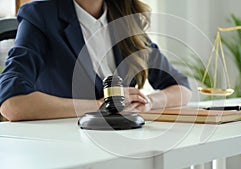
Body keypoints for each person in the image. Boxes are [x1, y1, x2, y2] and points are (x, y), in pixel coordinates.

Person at [0, 0, 192, 121]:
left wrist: (147, 102)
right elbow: (12, 105)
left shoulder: (125, 18)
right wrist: (104, 104)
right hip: (63, 149)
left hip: (121, 145)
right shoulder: (41, 15)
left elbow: (182, 89)